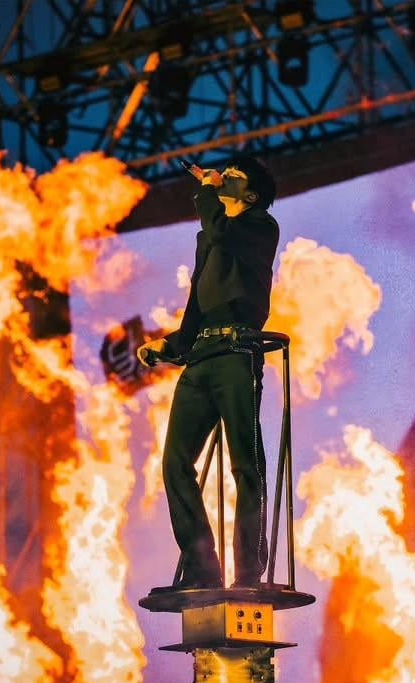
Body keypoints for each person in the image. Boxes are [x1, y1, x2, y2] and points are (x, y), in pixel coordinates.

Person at [137, 154, 279, 589]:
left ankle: (249, 571)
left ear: (250, 195)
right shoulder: (210, 236)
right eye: (225, 173)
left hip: (237, 351)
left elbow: (222, 231)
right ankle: (202, 567)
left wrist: (205, 191)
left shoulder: (259, 226)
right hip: (201, 355)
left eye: (234, 176)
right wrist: (170, 345)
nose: (224, 176)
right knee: (175, 462)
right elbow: (197, 306)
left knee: (245, 464)